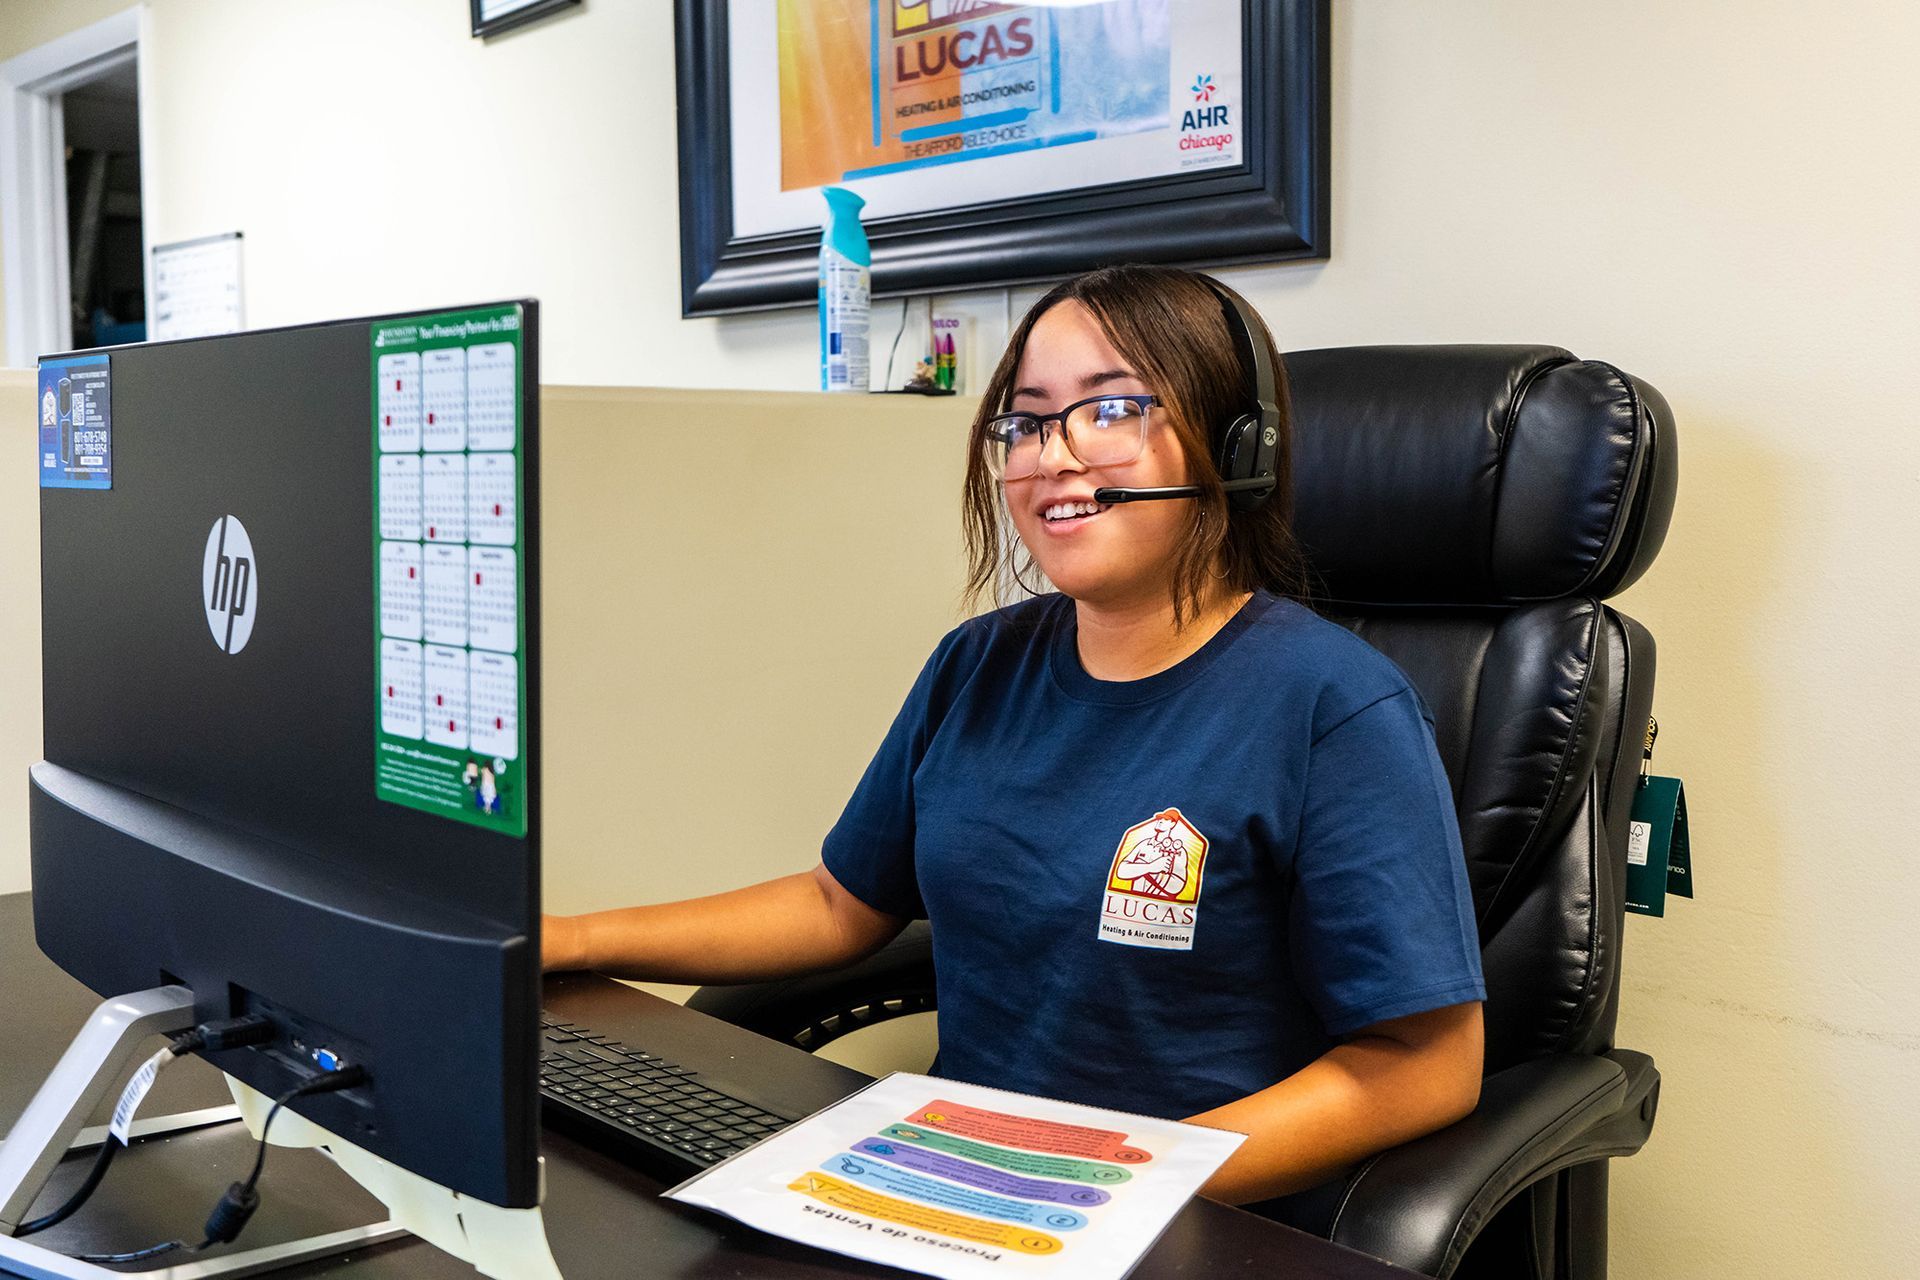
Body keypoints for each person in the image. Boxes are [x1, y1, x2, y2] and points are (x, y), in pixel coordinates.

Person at [543, 265, 1486, 1207]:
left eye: (1109, 409)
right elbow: (841, 904)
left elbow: (1428, 1065)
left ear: (1235, 445)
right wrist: (573, 939)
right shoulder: (979, 664)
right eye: (1027, 420)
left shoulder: (1333, 703)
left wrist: (1121, 1183)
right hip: (950, 1195)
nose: (1053, 454)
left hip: (1178, 1222)